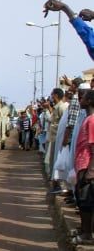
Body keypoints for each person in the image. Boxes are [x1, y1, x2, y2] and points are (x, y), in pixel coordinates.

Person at [72, 89, 94, 244]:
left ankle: (87, 234)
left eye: (84, 97)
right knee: (81, 199)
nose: (80, 99)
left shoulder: (92, 120)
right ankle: (84, 230)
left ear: (90, 101)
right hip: (82, 164)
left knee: (86, 201)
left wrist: (91, 171)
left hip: (87, 166)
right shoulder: (88, 119)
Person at [47, 88, 68, 191]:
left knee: (57, 161)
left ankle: (58, 185)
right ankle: (55, 183)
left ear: (55, 95)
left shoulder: (62, 107)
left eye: (52, 94)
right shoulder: (57, 107)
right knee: (53, 161)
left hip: (59, 139)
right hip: (54, 137)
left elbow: (65, 123)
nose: (51, 96)